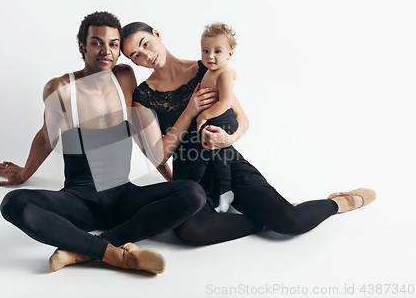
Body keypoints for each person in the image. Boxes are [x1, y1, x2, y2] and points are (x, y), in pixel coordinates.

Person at [121, 21, 376, 245]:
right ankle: (262, 220)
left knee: (291, 223)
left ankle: (342, 202)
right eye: (136, 55)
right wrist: (189, 112)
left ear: (156, 34)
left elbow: (242, 119)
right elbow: (158, 154)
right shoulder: (143, 95)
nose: (146, 55)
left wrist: (229, 138)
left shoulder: (207, 67)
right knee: (190, 232)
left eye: (145, 44)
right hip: (190, 175)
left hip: (226, 160)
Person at [0, 11, 205, 274]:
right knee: (13, 203)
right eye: (97, 42)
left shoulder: (124, 77)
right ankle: (116, 255)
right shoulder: (60, 87)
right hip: (79, 201)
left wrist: (170, 180)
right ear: (82, 46)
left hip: (123, 197)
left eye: (113, 44)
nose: (106, 51)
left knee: (193, 193)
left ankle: (88, 250)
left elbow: (141, 134)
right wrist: (23, 174)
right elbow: (47, 137)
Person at [185, 22, 239, 213]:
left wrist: (204, 116)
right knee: (219, 158)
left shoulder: (223, 74)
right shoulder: (213, 71)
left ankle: (189, 187)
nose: (210, 56)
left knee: (202, 154)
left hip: (223, 121)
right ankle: (225, 191)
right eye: (205, 51)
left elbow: (224, 103)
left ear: (229, 55)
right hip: (215, 120)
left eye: (217, 51)